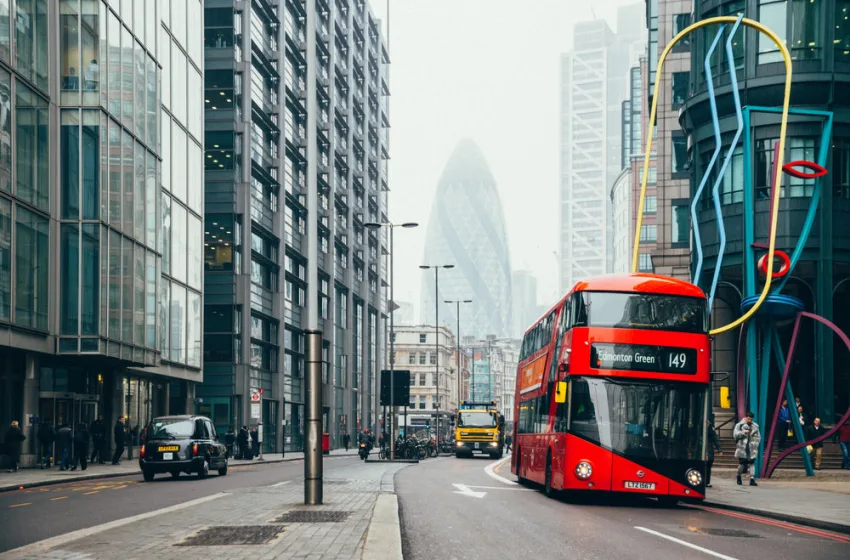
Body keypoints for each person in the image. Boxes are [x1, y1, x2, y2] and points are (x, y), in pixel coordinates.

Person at [733, 411, 760, 486]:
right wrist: (744, 432)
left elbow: (758, 437)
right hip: (742, 447)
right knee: (742, 464)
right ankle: (739, 476)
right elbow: (735, 435)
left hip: (752, 447)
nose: (749, 420)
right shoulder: (739, 425)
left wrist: (756, 443)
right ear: (745, 418)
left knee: (752, 462)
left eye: (751, 419)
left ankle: (752, 479)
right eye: (748, 419)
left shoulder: (755, 426)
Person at [706, 419, 723, 488]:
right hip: (701, 450)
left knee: (708, 466)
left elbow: (715, 440)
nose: (707, 423)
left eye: (708, 422)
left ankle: (707, 482)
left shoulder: (711, 431)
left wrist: (719, 450)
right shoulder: (699, 429)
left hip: (709, 450)